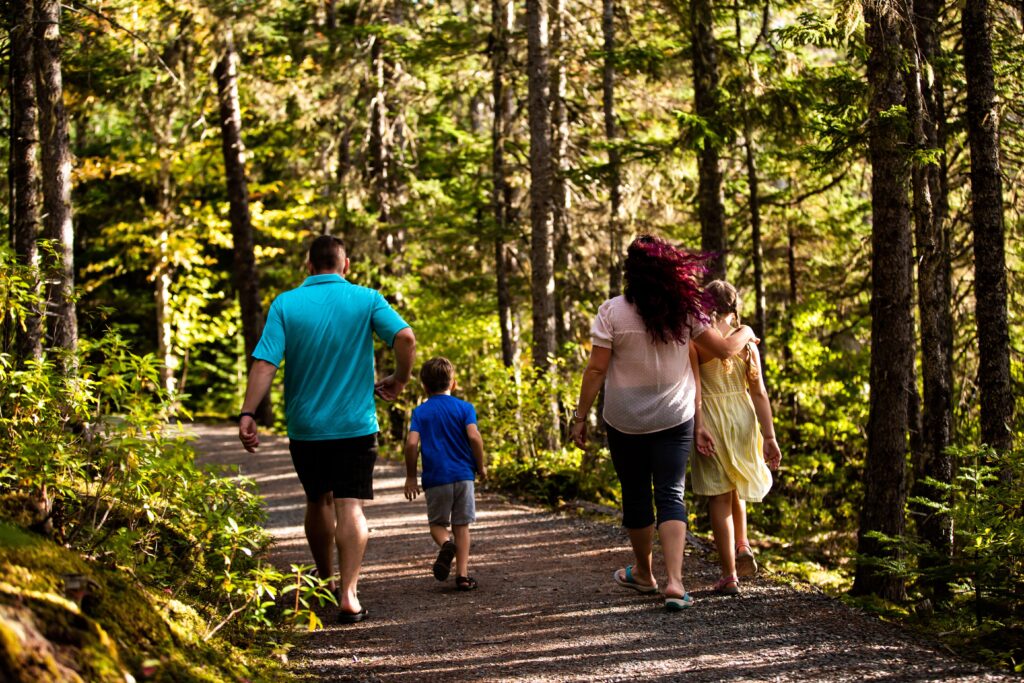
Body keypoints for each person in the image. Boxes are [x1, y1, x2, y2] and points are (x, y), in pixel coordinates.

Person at [571, 235, 758, 611]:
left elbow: (596, 370)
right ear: (670, 270)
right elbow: (724, 349)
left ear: (631, 272)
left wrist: (579, 416)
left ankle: (644, 573)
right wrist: (747, 332)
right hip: (674, 417)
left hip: (625, 420)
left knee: (635, 495)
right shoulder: (686, 310)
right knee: (671, 494)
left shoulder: (611, 312)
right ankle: (675, 582)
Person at [238, 235, 416, 624]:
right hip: (355, 424)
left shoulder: (285, 304)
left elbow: (265, 363)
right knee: (350, 504)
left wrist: (248, 412)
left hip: (307, 427)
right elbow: (405, 337)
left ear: (309, 265)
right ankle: (349, 596)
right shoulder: (367, 298)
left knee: (317, 500)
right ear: (345, 265)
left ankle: (324, 580)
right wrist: (400, 379)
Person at [691, 280, 782, 594]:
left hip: (712, 418)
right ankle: (743, 544)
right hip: (743, 417)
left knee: (719, 495)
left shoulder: (698, 341)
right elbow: (759, 393)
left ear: (705, 305)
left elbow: (695, 391)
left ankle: (729, 574)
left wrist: (698, 425)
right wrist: (769, 436)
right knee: (737, 482)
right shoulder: (747, 342)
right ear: (733, 308)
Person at [403, 357, 486, 591]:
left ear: (424, 387)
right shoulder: (465, 408)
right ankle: (463, 576)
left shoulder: (420, 412)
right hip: (464, 476)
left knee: (437, 524)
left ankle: (446, 544)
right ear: (454, 383)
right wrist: (480, 466)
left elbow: (411, 444)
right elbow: (474, 437)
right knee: (462, 525)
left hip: (436, 478)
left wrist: (411, 476)